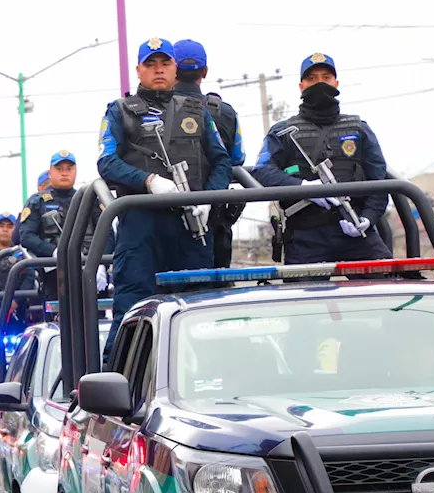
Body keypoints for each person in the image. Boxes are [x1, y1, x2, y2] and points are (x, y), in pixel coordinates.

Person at [96, 37, 231, 353]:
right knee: (132, 313)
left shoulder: (197, 111)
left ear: (175, 69)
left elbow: (222, 161)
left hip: (191, 226)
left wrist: (208, 201)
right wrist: (149, 181)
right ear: (139, 70)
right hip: (141, 226)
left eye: (165, 63)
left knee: (199, 313)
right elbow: (106, 161)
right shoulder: (120, 111)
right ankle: (114, 393)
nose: (158, 70)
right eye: (151, 64)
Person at [252, 52, 390, 264]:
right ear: (301, 86)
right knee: (300, 295)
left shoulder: (359, 129)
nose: (319, 84)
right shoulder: (283, 132)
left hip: (355, 229)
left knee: (386, 287)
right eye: (312, 78)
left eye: (326, 78)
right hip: (305, 235)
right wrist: (303, 186)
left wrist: (368, 219)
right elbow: (262, 171)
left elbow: (379, 181)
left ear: (336, 83)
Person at [172, 40, 246, 268]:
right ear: (204, 72)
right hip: (214, 215)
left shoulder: (158, 109)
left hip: (166, 217)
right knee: (216, 291)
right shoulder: (224, 112)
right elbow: (237, 158)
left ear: (171, 68)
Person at [18, 150, 112, 292]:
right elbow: (26, 236)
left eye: (69, 169)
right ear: (50, 173)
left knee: (95, 313)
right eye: (59, 169)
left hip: (90, 270)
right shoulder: (37, 201)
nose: (64, 173)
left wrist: (101, 265)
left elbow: (108, 234)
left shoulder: (89, 199)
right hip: (54, 276)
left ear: (75, 172)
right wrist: (54, 251)